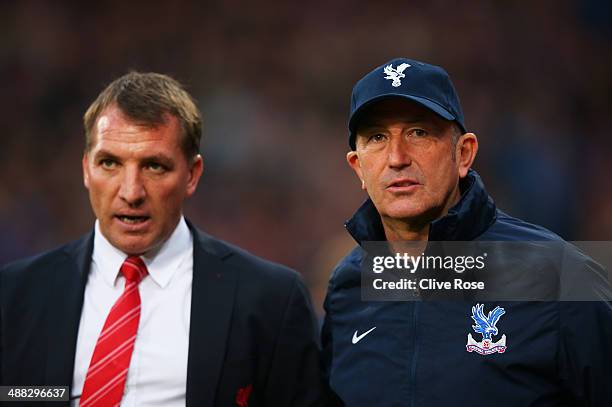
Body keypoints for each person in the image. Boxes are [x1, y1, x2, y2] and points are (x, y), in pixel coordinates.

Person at [0, 72, 326, 406]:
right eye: (110, 163)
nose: (130, 192)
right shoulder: (15, 294)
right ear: (86, 169)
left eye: (154, 166)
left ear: (192, 175)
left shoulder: (270, 300)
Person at [321, 58, 612, 406]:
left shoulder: (559, 275)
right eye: (378, 137)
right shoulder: (348, 287)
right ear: (358, 168)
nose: (397, 157)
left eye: (419, 132)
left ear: (464, 154)